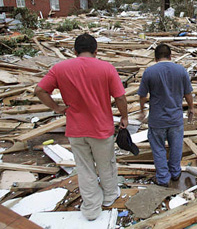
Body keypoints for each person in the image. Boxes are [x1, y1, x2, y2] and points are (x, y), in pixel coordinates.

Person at [34, 33, 128, 221]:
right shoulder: (107, 68)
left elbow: (39, 90)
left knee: (85, 169)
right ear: (96, 50)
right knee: (106, 165)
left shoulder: (60, 68)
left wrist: (57, 108)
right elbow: (119, 97)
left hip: (76, 129)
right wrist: (124, 116)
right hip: (102, 129)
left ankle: (91, 209)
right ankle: (109, 197)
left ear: (75, 51)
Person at [138, 43, 194, 187]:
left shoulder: (149, 72)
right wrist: (191, 109)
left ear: (155, 58)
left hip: (157, 120)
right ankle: (175, 173)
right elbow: (188, 93)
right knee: (176, 148)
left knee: (158, 149)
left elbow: (142, 96)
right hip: (175, 118)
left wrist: (142, 110)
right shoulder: (181, 70)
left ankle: (163, 178)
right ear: (170, 56)